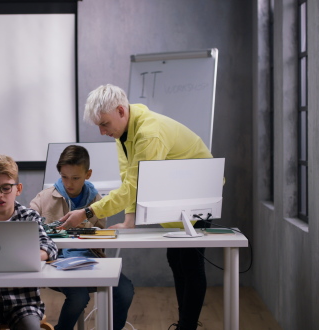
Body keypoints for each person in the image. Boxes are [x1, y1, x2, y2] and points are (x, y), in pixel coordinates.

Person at [59, 84, 213, 330]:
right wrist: (129, 218)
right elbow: (129, 176)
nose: (101, 131)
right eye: (98, 125)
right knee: (176, 259)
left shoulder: (149, 134)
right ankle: (186, 324)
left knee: (190, 263)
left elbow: (134, 186)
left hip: (198, 193)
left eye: (104, 124)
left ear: (121, 110)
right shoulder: (124, 131)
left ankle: (187, 327)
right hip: (176, 192)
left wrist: (88, 212)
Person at [29, 145, 134, 330]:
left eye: (76, 178)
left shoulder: (98, 201)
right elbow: (29, 230)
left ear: (88, 174)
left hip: (90, 260)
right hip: (57, 261)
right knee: (78, 296)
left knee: (125, 291)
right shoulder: (43, 198)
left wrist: (83, 225)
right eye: (64, 177)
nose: (69, 183)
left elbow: (100, 238)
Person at [0, 154, 58, 330]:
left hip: (23, 300)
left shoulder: (29, 217)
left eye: (6, 188)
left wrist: (35, 254)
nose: (0, 195)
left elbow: (50, 246)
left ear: (18, 189)